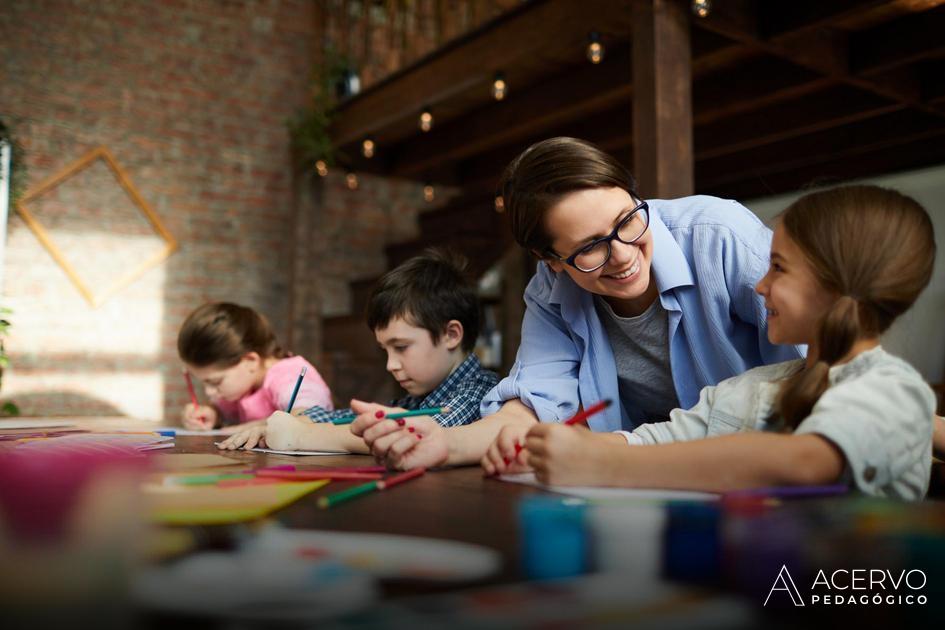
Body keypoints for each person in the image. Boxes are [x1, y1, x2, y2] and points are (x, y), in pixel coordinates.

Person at [353, 137, 802, 470]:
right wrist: (444, 444)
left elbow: (822, 366)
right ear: (549, 261)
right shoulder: (551, 292)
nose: (624, 254)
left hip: (768, 464)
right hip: (644, 475)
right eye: (591, 247)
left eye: (627, 220)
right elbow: (532, 406)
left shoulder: (721, 238)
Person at [519, 185, 936, 500]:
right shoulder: (753, 387)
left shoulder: (891, 390)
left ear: (834, 283)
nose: (759, 284)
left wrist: (601, 463)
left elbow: (805, 463)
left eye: (778, 267)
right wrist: (558, 448)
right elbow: (659, 439)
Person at [218, 249, 499, 453]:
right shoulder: (421, 397)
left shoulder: (480, 391)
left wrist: (305, 435)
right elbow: (350, 419)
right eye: (385, 350)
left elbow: (418, 436)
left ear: (451, 335)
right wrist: (291, 422)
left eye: (401, 347)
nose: (391, 365)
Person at [177, 302, 332, 432]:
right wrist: (212, 414)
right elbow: (225, 412)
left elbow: (310, 416)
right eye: (204, 382)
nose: (209, 392)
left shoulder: (289, 375)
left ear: (250, 360)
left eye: (216, 382)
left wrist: (241, 429)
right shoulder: (242, 385)